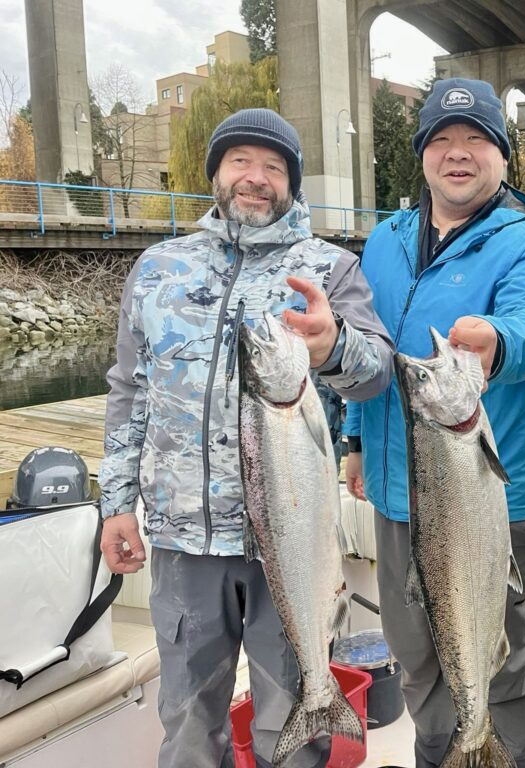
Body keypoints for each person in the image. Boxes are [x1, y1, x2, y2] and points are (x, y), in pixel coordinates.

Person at [97, 108, 394, 768]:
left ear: (291, 181)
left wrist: (334, 346)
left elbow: (376, 374)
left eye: (273, 166)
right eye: (241, 162)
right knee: (187, 726)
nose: (256, 178)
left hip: (291, 548)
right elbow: (129, 393)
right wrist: (115, 503)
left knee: (291, 729)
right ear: (215, 173)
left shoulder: (329, 267)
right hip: (181, 542)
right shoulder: (157, 269)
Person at [343, 77, 525, 768]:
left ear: (504, 156)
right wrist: (354, 436)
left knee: (500, 663)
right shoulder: (385, 240)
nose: (458, 153)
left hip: (486, 496)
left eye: (477, 140)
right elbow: (364, 342)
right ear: (423, 156)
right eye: (442, 139)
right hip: (394, 493)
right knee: (416, 660)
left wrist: (496, 342)